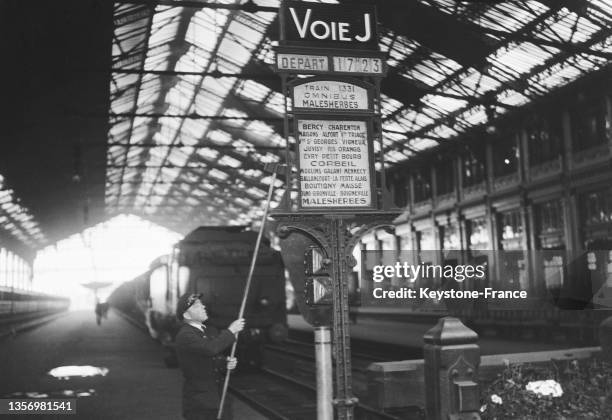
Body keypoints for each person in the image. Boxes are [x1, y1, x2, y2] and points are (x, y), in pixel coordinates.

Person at [175, 293, 245, 420]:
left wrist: (225, 364)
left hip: (218, 400)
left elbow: (208, 360)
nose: (203, 307)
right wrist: (231, 331)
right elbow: (210, 349)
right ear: (186, 315)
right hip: (200, 404)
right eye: (197, 306)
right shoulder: (185, 335)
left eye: (201, 303)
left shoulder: (207, 331)